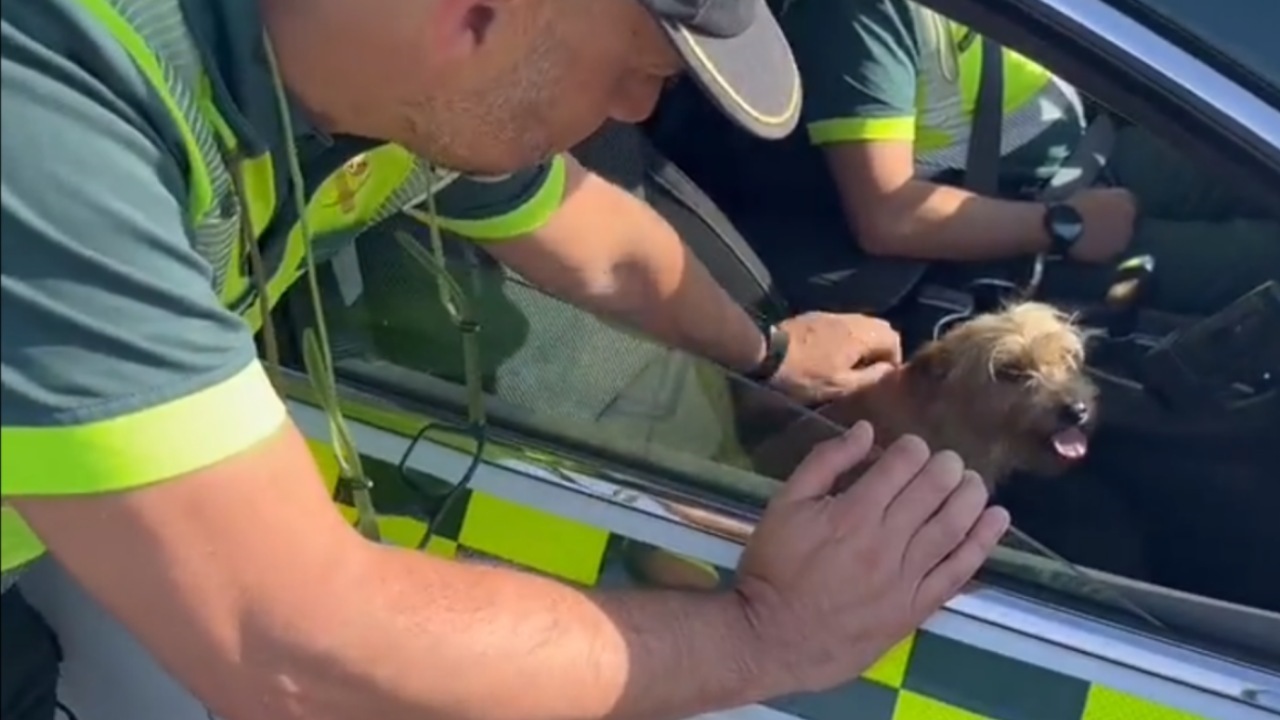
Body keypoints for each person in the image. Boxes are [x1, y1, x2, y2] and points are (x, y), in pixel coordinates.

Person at [0, 0, 1011, 718]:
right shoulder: (44, 98)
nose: (630, 113)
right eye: (637, 70)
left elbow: (598, 241)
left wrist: (770, 351)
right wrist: (770, 637)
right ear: (472, 15)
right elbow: (291, 652)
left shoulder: (378, 90)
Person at [775, 0, 1280, 315]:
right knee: (1265, 262)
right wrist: (1064, 226)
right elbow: (886, 216)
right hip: (1034, 227)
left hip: (1102, 150)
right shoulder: (856, 13)